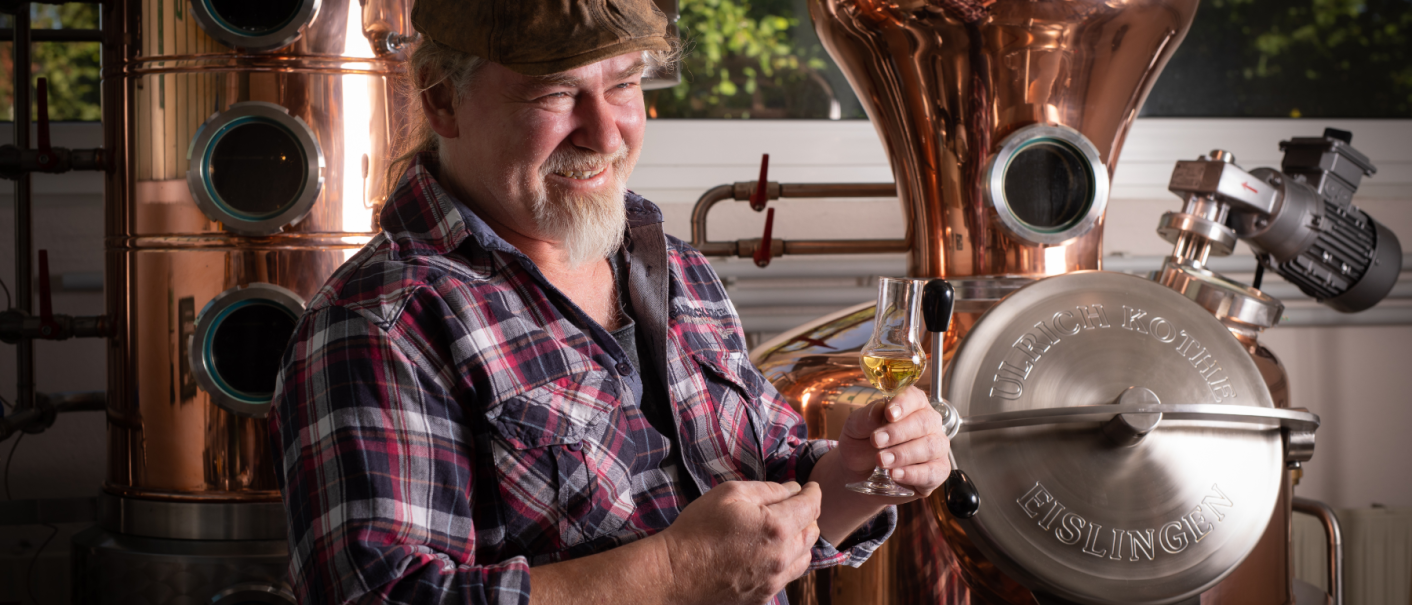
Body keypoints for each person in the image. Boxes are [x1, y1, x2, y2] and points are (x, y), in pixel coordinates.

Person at [269, 0, 955, 603]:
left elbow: (772, 495)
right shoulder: (381, 325)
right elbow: (383, 595)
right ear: (442, 97)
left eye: (623, 83)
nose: (604, 133)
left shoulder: (674, 267)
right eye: (556, 93)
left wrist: (855, 476)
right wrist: (674, 572)